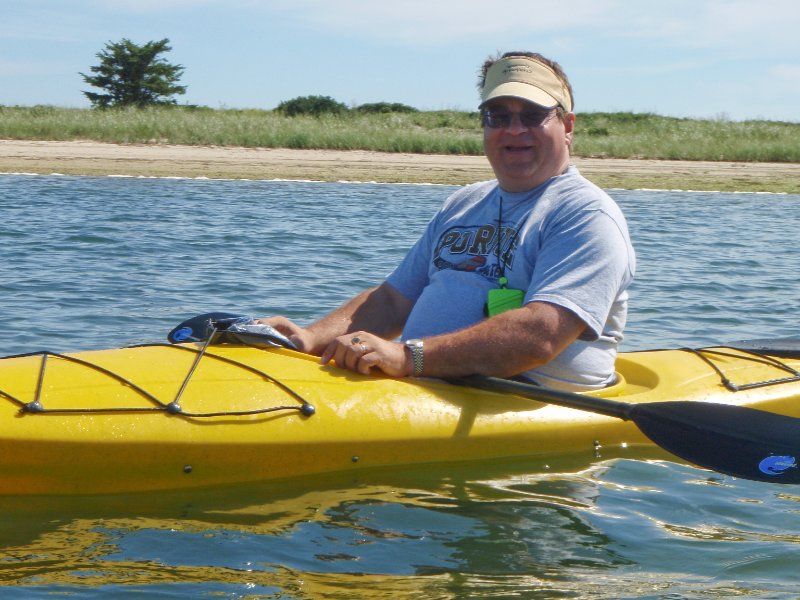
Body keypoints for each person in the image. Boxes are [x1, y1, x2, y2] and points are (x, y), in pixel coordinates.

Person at [259, 51, 635, 390]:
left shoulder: (587, 215)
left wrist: (409, 357)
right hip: (425, 385)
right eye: (498, 116)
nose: (514, 130)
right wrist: (311, 338)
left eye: (533, 115)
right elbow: (392, 301)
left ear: (567, 126)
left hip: (527, 404)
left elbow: (540, 337)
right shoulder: (464, 202)